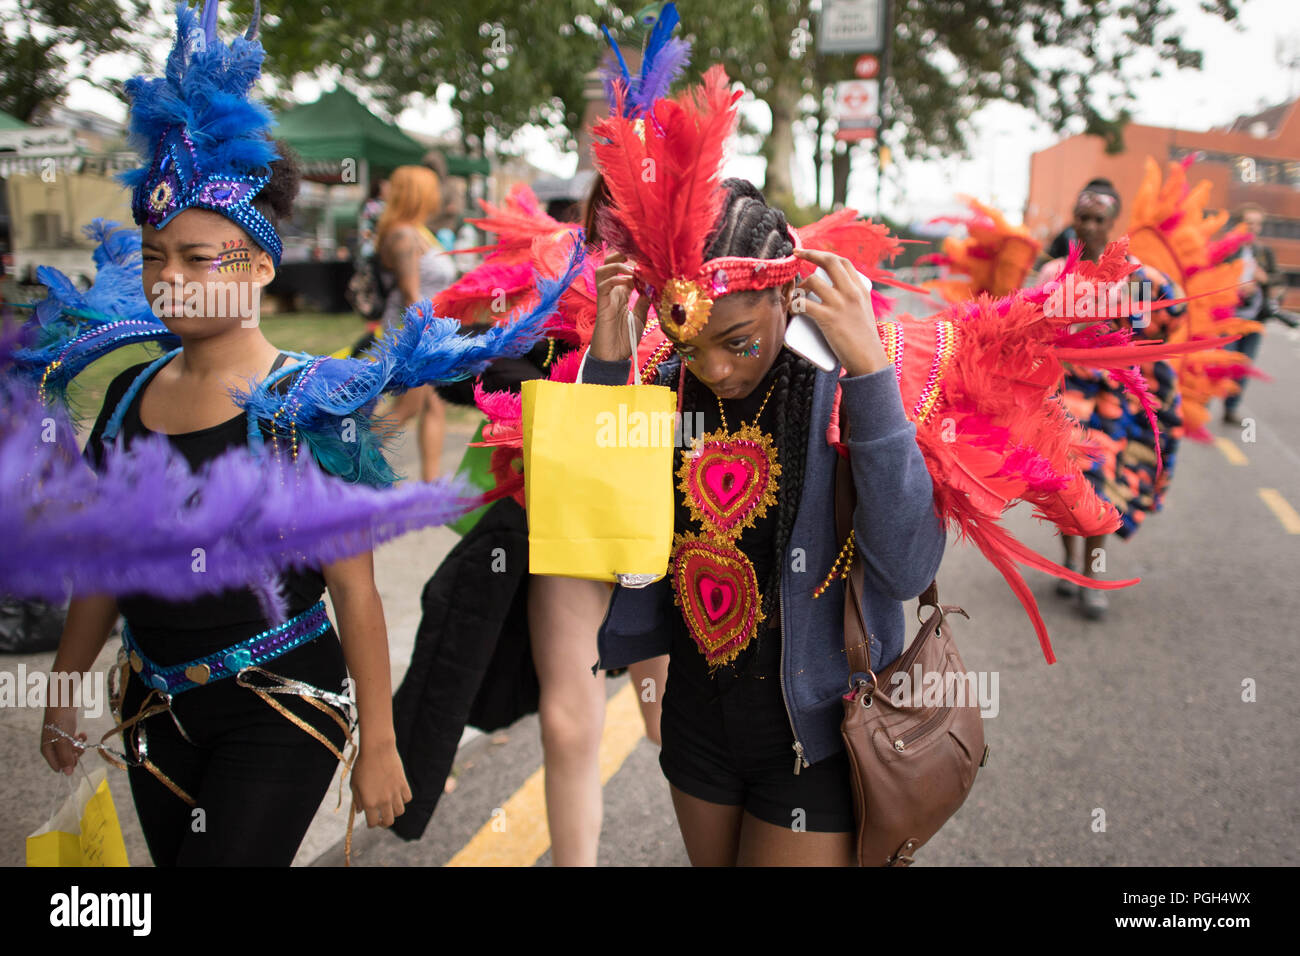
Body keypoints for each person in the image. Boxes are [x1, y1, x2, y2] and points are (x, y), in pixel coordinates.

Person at [36, 1, 411, 865]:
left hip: (281, 705)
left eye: (199, 258)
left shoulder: (309, 403)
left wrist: (381, 742)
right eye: (156, 254)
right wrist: (65, 687)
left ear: (262, 265)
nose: (172, 278)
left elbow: (354, 590)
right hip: (154, 709)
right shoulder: (128, 397)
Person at [1037, 178, 1186, 621]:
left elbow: (1151, 333)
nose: (1088, 225)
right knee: (1063, 487)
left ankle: (1092, 577)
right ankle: (1068, 563)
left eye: (1098, 219)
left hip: (1116, 405)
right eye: (1081, 217)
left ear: (1112, 221)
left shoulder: (1138, 277)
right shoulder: (1054, 274)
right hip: (1063, 400)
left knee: (1101, 492)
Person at [376, 164, 456, 481]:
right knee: (406, 408)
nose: (437, 195)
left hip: (430, 329)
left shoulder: (420, 231)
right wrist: (422, 341)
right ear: (418, 194)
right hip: (414, 331)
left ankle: (431, 484)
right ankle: (341, 460)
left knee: (435, 405)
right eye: (431, 188)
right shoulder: (403, 235)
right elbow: (411, 294)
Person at [1222, 202, 1277, 425]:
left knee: (1243, 366)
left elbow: (1277, 279)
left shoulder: (1264, 253)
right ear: (1239, 224)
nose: (1253, 227)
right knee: (1222, 363)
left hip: (1254, 319)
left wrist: (1265, 280)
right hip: (1228, 318)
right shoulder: (1227, 250)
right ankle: (1201, 404)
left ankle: (1231, 408)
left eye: (1258, 224)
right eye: (1249, 222)